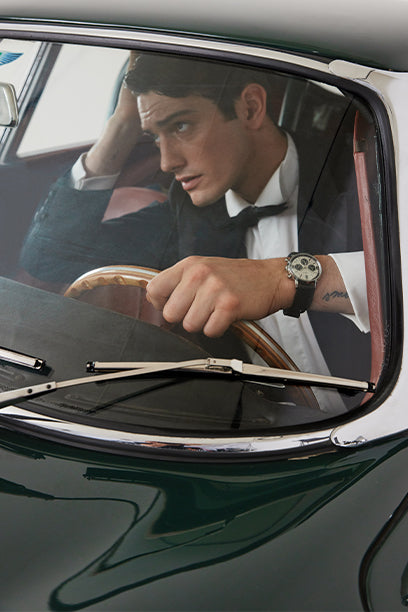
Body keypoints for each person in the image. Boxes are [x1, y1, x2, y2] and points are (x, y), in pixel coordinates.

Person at [20, 52, 370, 407]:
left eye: (181, 126)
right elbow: (49, 255)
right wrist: (123, 122)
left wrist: (283, 279)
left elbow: (394, 275)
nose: (166, 161)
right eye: (155, 137)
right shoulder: (187, 214)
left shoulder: (359, 170)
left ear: (250, 107)